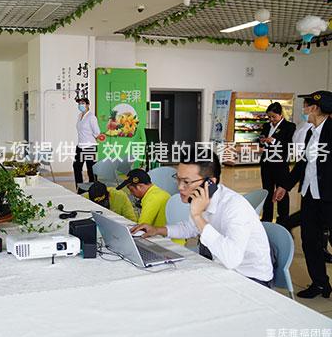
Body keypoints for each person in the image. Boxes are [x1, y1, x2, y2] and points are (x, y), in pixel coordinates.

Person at [131, 150, 273, 287]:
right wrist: (157, 230)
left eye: (186, 182)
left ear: (209, 182)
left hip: (250, 278)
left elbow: (232, 259)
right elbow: (190, 228)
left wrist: (198, 216)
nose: (180, 187)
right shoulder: (202, 198)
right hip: (219, 265)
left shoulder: (234, 208)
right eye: (178, 179)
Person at [274, 91, 332, 298]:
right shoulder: (310, 132)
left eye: (305, 105)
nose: (303, 109)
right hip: (310, 196)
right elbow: (303, 164)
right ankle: (320, 284)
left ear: (314, 108)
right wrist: (285, 186)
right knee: (310, 241)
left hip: (329, 198)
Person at [259, 102, 295, 223]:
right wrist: (263, 141)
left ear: (280, 115)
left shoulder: (289, 126)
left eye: (273, 117)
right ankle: (266, 218)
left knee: (281, 192)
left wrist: (274, 141)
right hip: (266, 164)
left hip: (280, 164)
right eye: (269, 117)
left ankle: (283, 219)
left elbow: (289, 144)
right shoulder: (266, 126)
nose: (271, 119)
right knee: (267, 191)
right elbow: (260, 141)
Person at [73, 97, 100, 190]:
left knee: (91, 170)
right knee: (76, 167)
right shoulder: (79, 115)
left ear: (88, 105)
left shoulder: (91, 117)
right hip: (80, 146)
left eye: (83, 103)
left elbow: (97, 133)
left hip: (90, 147)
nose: (80, 105)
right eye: (79, 103)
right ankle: (80, 188)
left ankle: (94, 189)